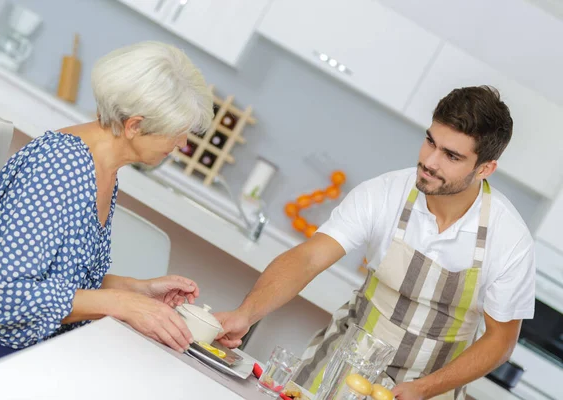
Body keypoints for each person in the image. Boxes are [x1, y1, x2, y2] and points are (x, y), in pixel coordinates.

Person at [215, 86, 535, 400]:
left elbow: (501, 340)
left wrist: (424, 388)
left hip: (430, 390)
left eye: (451, 156)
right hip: (339, 367)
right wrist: (246, 313)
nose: (430, 161)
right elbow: (309, 258)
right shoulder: (385, 193)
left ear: (485, 169)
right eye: (430, 141)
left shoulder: (509, 239)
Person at [0, 41, 214, 372]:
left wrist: (140, 290)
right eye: (178, 133)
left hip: (27, 344)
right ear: (134, 125)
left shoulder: (103, 170)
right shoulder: (58, 166)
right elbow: (6, 294)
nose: (182, 144)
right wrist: (121, 304)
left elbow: (61, 278)